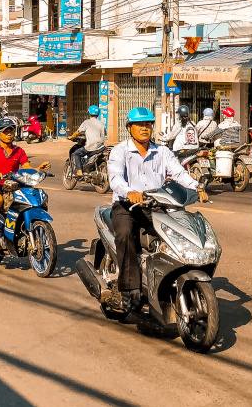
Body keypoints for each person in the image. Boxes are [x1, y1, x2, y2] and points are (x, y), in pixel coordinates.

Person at [105, 107, 207, 311]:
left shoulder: (162, 151)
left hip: (157, 205)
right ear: (129, 127)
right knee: (125, 235)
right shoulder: (120, 151)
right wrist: (130, 191)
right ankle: (129, 292)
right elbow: (115, 179)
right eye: (140, 124)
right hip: (128, 206)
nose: (144, 128)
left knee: (179, 233)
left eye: (148, 124)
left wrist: (196, 187)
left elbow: (178, 173)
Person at [0, 117, 49, 252]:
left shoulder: (19, 151)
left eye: (11, 131)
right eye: (6, 131)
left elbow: (26, 167)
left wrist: (38, 169)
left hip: (16, 185)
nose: (9, 134)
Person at [69, 105, 107, 176]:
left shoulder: (86, 122)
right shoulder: (102, 124)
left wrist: (72, 136)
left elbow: (78, 132)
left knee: (77, 153)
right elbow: (104, 134)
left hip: (91, 147)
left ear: (89, 113)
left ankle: (79, 171)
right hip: (100, 147)